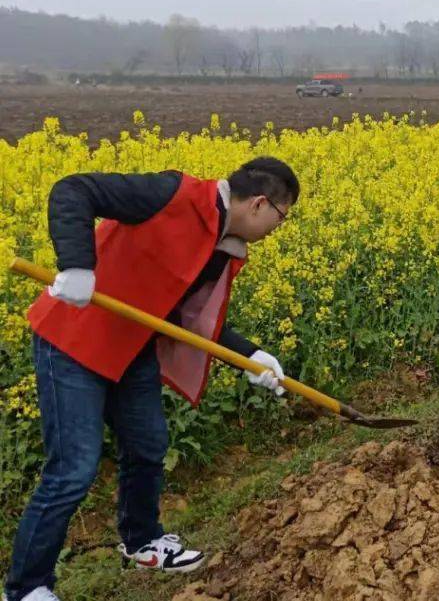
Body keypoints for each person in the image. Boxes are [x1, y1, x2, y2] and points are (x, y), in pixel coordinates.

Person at [3, 158, 299, 601]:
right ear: (259, 203)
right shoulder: (172, 195)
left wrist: (252, 357)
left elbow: (190, 321)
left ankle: (142, 542)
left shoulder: (223, 245)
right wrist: (78, 266)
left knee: (147, 445)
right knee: (73, 470)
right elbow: (73, 189)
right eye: (282, 215)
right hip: (73, 339)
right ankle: (27, 587)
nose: (279, 227)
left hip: (131, 347)